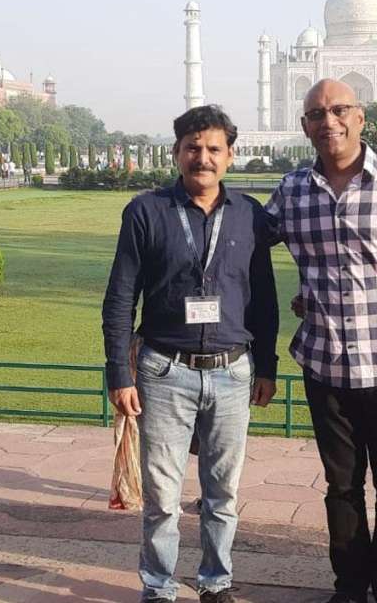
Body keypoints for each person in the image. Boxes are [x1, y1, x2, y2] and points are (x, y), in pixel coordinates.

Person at [265, 79, 377, 603]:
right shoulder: (293, 190)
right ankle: (349, 587)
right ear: (305, 126)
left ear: (360, 117)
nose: (329, 121)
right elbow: (241, 239)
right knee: (341, 488)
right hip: (326, 365)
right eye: (317, 113)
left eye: (340, 110)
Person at [102, 104, 279, 603]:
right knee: (161, 497)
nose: (203, 157)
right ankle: (159, 587)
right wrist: (120, 372)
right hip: (163, 370)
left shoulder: (249, 213)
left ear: (231, 155)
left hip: (231, 371)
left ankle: (215, 581)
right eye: (192, 147)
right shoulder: (146, 211)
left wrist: (266, 366)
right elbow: (120, 297)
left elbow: (262, 297)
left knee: (222, 493)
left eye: (213, 149)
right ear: (176, 152)